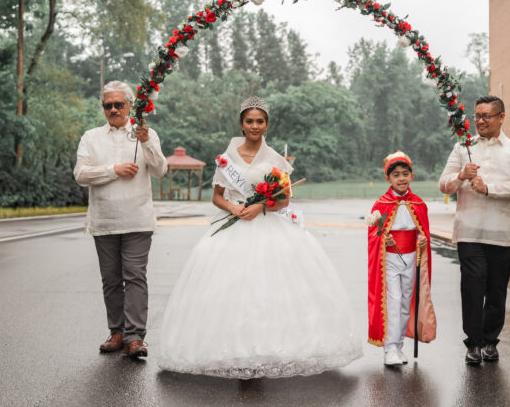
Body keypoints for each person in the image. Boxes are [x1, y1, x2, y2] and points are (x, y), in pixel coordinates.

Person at [155, 96, 362, 378]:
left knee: (269, 291)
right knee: (230, 291)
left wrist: (261, 205)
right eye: (249, 121)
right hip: (234, 223)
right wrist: (233, 207)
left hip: (268, 225)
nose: (254, 126)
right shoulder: (226, 160)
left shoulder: (275, 159)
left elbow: (284, 201)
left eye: (260, 121)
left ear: (266, 124)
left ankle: (272, 346)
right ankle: (232, 348)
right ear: (241, 123)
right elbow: (216, 196)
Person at [74, 80, 168, 360]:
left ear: (130, 105)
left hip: (138, 219)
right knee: (111, 280)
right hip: (103, 220)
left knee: (135, 277)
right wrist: (114, 170)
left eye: (119, 104)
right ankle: (116, 333)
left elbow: (161, 170)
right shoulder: (91, 137)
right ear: (103, 108)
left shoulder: (144, 134)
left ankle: (135, 337)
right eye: (108, 105)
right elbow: (80, 174)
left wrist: (146, 140)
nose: (113, 109)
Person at [438, 95, 510, 366]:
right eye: (477, 116)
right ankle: (473, 343)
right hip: (468, 233)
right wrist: (461, 177)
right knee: (472, 288)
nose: (480, 121)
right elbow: (443, 184)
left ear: (501, 117)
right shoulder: (462, 148)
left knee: (496, 290)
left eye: (486, 116)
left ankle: (491, 341)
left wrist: (488, 189)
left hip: (501, 233)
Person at [366, 151, 436, 367]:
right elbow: (373, 234)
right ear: (388, 178)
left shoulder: (418, 203)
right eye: (396, 175)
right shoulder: (381, 204)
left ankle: (398, 346)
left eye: (405, 174)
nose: (401, 178)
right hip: (390, 260)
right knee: (393, 302)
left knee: (406, 302)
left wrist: (422, 240)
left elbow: (422, 231)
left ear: (412, 176)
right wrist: (381, 239)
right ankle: (389, 349)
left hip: (412, 259)